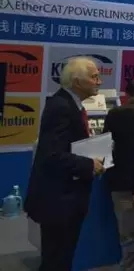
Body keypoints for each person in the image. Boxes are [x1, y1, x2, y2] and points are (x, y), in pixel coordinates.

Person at [25, 57, 104, 271]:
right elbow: (52, 155)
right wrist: (89, 165)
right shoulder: (61, 106)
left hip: (67, 198)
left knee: (63, 256)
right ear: (77, 82)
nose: (99, 81)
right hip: (58, 200)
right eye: (94, 77)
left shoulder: (70, 104)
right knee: (56, 259)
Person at [102, 79, 134, 271]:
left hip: (121, 181)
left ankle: (131, 266)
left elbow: (105, 143)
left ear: (127, 94)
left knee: (128, 229)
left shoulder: (115, 114)